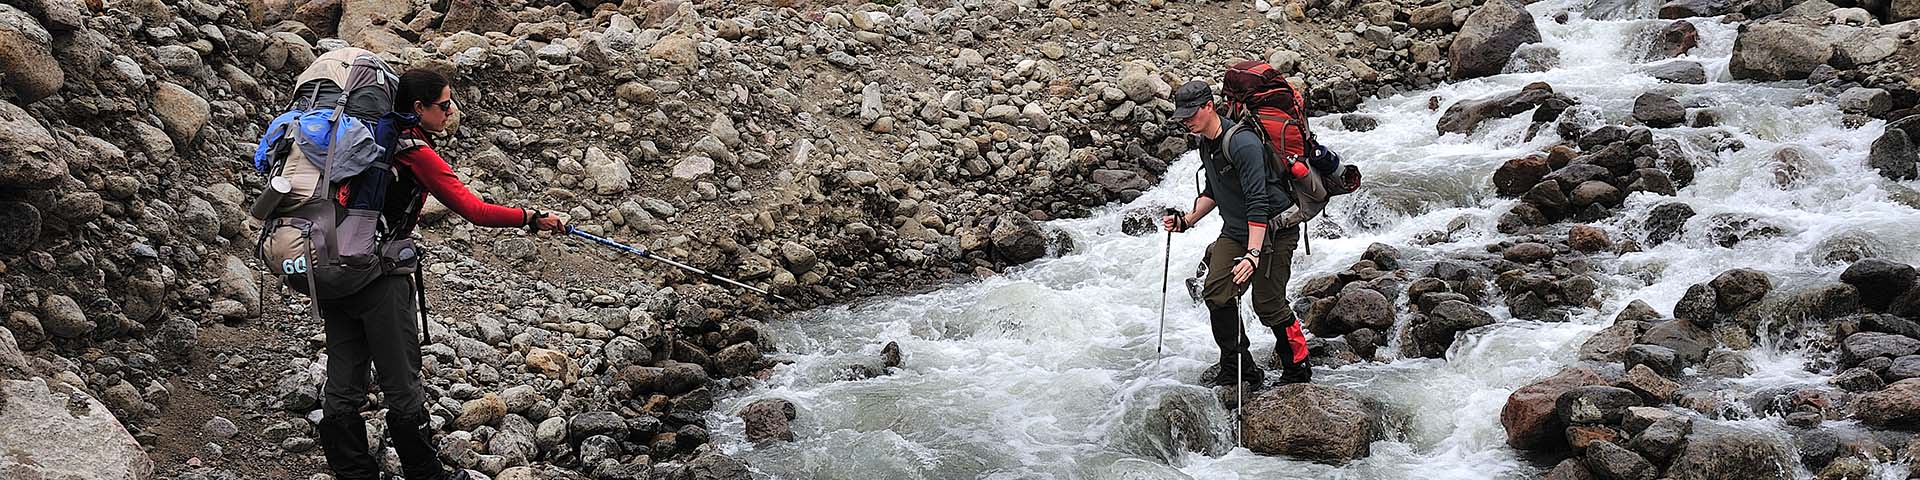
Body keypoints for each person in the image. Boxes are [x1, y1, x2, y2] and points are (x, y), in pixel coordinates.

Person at [315, 68, 567, 480]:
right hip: (380, 278)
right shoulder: (414, 150)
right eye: (445, 105)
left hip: (333, 270)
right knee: (402, 385)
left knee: (343, 384)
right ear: (418, 108)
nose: (451, 112)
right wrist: (530, 217)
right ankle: (425, 474)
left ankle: (353, 473)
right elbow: (474, 209)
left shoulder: (361, 141)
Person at [1161, 80, 1313, 386]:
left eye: (1191, 113)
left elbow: (1257, 202)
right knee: (1217, 292)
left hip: (1273, 231)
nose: (1186, 120)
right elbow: (1214, 189)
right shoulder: (1206, 141)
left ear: (1209, 106)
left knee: (1268, 304)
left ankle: (1298, 367)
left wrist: (1253, 255)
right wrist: (1188, 220)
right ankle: (1239, 367)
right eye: (1183, 115)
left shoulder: (1242, 143)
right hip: (1235, 230)